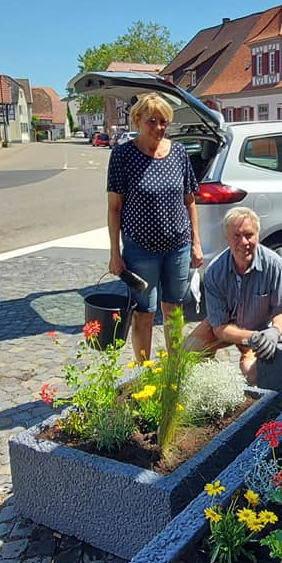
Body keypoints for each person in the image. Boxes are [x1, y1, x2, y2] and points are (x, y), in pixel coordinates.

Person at [107, 92, 203, 361]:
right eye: (152, 121)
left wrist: (196, 242)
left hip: (178, 247)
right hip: (140, 248)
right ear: (137, 120)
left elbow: (189, 201)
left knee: (173, 310)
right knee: (144, 313)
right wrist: (115, 252)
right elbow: (114, 208)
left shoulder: (179, 153)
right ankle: (143, 373)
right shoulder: (123, 156)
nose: (159, 128)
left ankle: (174, 369)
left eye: (164, 122)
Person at [187, 207, 282, 383]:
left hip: (262, 331)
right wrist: (250, 337)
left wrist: (274, 331)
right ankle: (215, 385)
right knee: (189, 351)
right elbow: (219, 327)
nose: (243, 242)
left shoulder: (275, 265)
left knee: (254, 372)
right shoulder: (215, 271)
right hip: (229, 328)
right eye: (236, 236)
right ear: (227, 239)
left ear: (258, 235)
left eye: (249, 235)